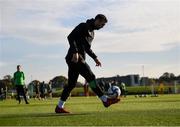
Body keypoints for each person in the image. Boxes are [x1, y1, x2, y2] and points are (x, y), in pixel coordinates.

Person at [55, 14, 120, 113]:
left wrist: (95, 58)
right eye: (102, 25)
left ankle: (59, 107)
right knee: (91, 77)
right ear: (97, 20)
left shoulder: (92, 33)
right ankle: (105, 100)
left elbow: (87, 48)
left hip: (76, 59)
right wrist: (75, 52)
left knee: (71, 84)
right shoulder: (83, 26)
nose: (102, 27)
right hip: (75, 57)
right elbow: (70, 37)